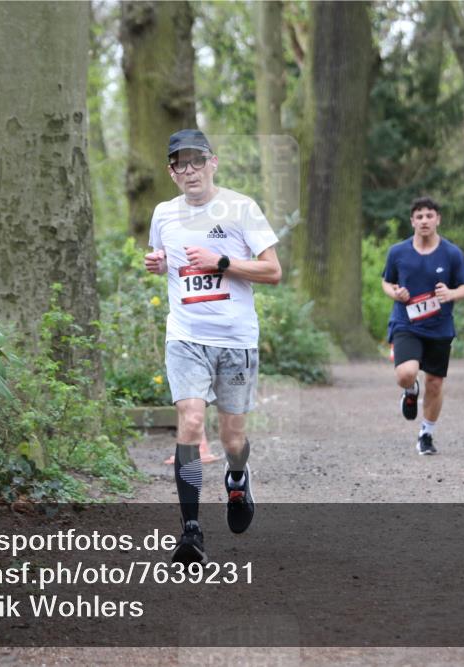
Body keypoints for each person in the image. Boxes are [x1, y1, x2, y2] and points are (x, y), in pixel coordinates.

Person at [143, 129, 281, 564]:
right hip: (185, 337)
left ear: (212, 163)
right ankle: (191, 531)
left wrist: (221, 262)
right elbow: (166, 260)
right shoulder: (164, 213)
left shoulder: (241, 208)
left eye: (197, 161)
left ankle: (237, 478)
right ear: (171, 172)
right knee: (190, 420)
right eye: (180, 164)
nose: (190, 170)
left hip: (235, 341)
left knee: (232, 437)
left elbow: (273, 271)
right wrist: (159, 263)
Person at [381, 197, 464, 456]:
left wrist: (451, 294)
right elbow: (386, 282)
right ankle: (410, 390)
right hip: (406, 323)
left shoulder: (452, 253)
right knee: (405, 374)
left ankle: (426, 434)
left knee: (434, 383)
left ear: (437, 219)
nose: (424, 221)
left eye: (429, 216)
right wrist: (395, 293)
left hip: (439, 327)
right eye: (419, 216)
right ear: (412, 221)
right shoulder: (398, 252)